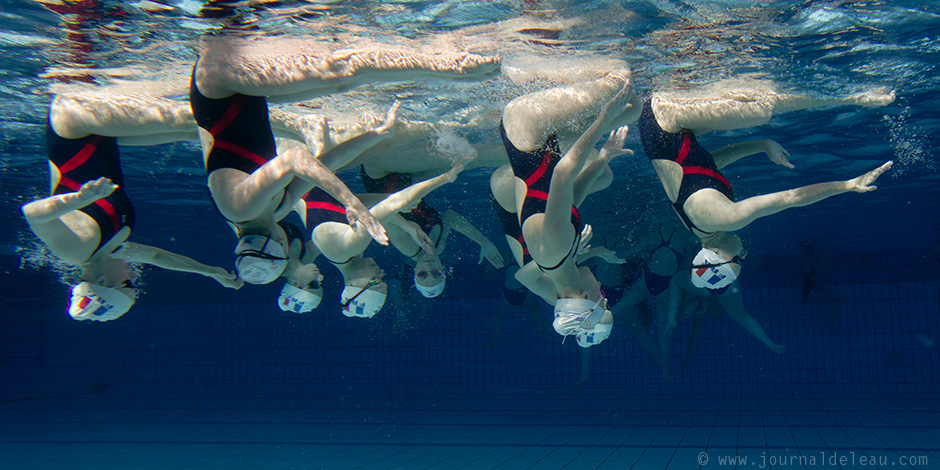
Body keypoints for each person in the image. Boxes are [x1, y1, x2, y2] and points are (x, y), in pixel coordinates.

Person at [190, 33, 501, 285]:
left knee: (339, 74)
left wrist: (351, 202)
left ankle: (446, 64)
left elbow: (297, 158)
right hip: (244, 96)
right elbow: (325, 164)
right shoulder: (276, 209)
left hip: (219, 88)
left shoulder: (239, 208)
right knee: (334, 75)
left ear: (280, 247)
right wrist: (377, 134)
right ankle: (441, 59)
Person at [637, 79, 895, 293]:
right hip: (665, 130)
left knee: (761, 109)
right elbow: (704, 164)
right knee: (739, 101)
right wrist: (760, 145)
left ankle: (855, 97)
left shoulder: (727, 219)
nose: (743, 253)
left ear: (716, 254)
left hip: (664, 123)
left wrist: (848, 185)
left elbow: (791, 198)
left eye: (738, 259)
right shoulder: (697, 226)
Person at [21, 93, 242, 322]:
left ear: (103, 283)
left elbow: (32, 214)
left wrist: (79, 198)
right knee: (204, 132)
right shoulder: (112, 249)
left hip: (72, 128)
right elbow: (157, 256)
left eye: (128, 283)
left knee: (202, 117)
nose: (135, 275)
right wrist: (210, 272)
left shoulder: (76, 250)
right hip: (101, 134)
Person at [503, 70, 641, 347]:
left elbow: (563, 175)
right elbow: (571, 199)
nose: (603, 290)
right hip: (540, 141)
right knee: (629, 110)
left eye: (602, 299)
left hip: (529, 128)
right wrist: (603, 157)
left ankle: (531, 69)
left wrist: (602, 122)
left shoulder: (555, 250)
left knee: (627, 100)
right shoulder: (561, 262)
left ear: (583, 297)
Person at [296, 160, 467, 318]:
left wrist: (446, 178)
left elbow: (389, 204)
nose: (381, 273)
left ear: (354, 283)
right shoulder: (343, 254)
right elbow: (358, 204)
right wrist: (404, 223)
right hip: (310, 166)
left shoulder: (347, 248)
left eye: (376, 281)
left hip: (303, 164)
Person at [361, 164, 505, 298]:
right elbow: (450, 217)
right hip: (404, 177)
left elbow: (382, 212)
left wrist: (407, 226)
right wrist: (484, 242)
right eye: (436, 274)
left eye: (423, 274)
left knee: (472, 160)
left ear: (415, 272)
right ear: (443, 270)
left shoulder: (409, 248)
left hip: (381, 177)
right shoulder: (437, 248)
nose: (429, 268)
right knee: (459, 164)